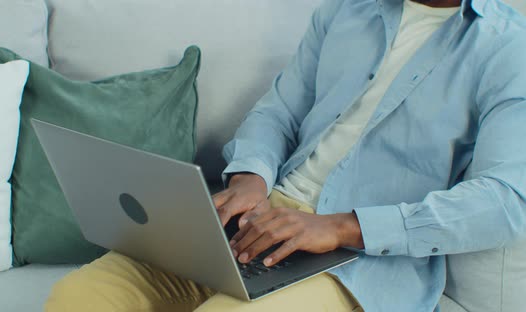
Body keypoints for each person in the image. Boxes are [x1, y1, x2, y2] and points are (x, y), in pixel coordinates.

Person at [45, 0, 526, 311]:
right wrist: (250, 179)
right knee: (77, 298)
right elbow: (278, 112)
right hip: (262, 216)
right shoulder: (344, 12)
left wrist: (339, 226)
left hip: (363, 255)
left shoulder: (508, 47)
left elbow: (508, 201)